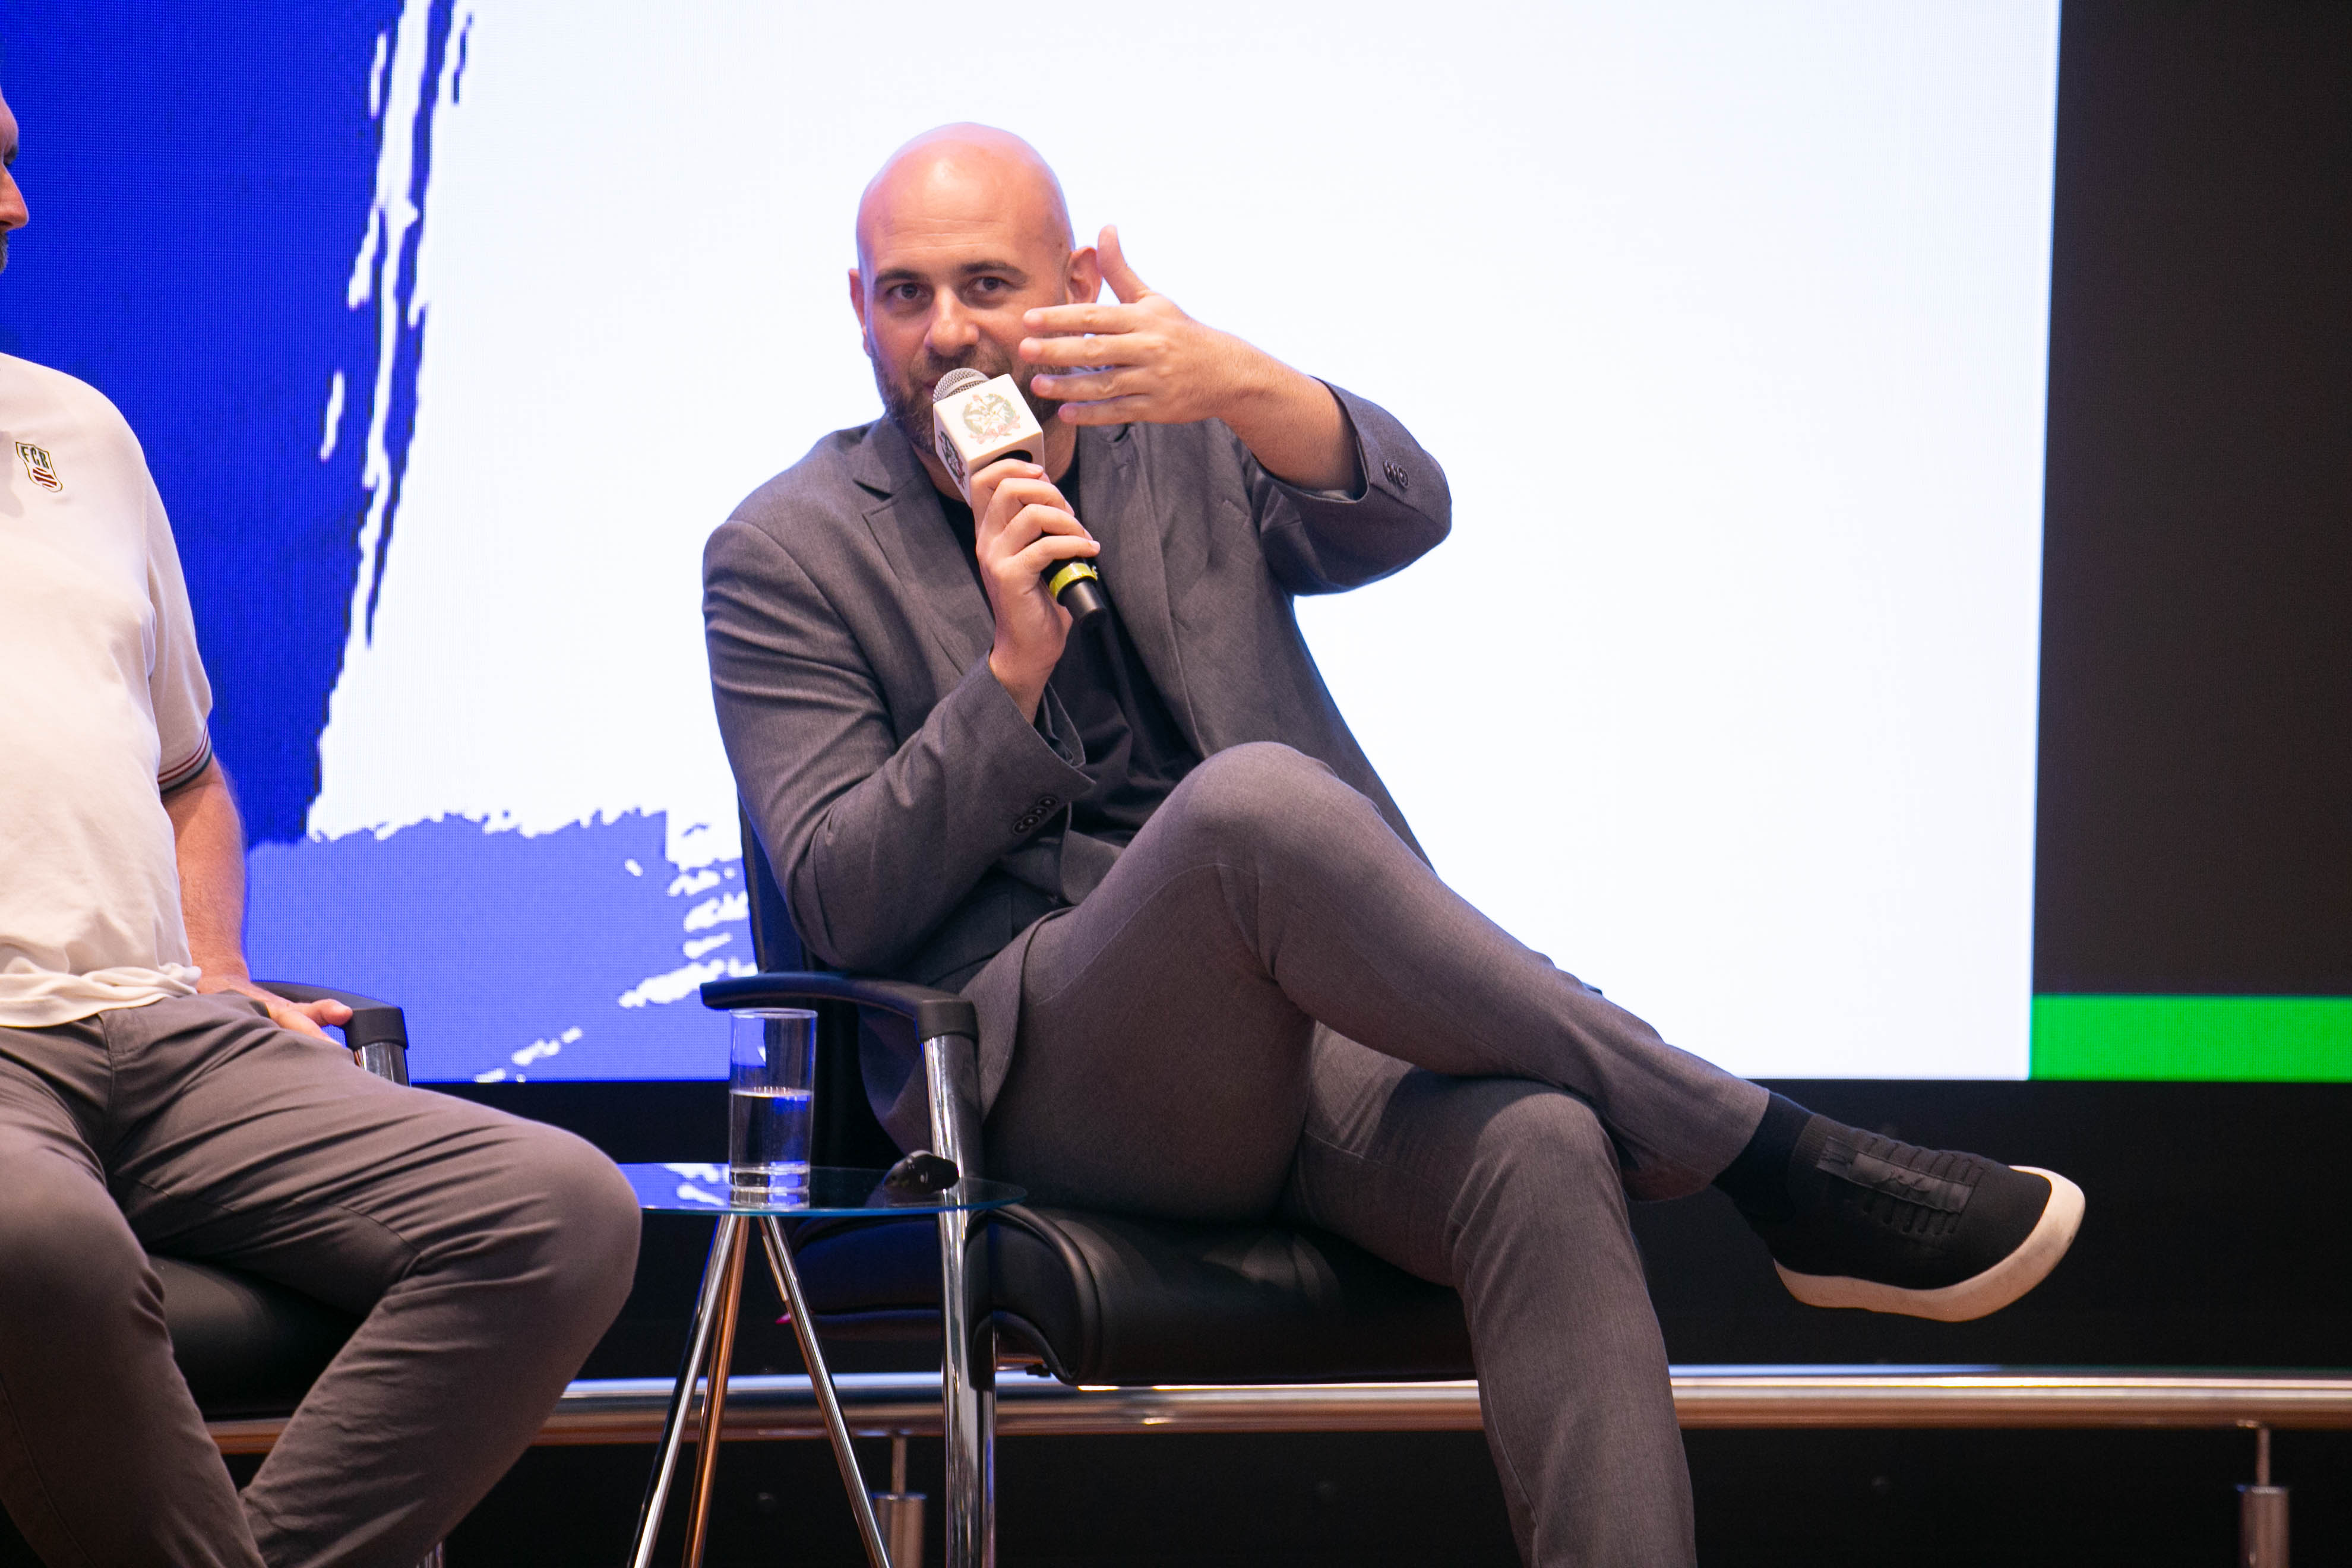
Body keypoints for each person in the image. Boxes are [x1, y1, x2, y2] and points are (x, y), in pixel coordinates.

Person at [703, 124, 2085, 1565]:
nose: (947, 333)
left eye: (988, 284)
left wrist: (1240, 381)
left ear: (1076, 287)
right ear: (857, 308)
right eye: (906, 294)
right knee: (1252, 806)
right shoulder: (785, 552)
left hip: (1299, 1045)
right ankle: (1775, 1159)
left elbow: (1406, 510)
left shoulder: (1177, 441)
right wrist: (1009, 677)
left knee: (1541, 1143)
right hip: (1041, 1082)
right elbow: (839, 898)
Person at [0, 88, 642, 1568]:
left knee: (560, 1211)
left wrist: (220, 971)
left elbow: (187, 782)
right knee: (41, 1246)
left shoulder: (78, 434)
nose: (18, 208)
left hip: (162, 1037)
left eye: (14, 164)